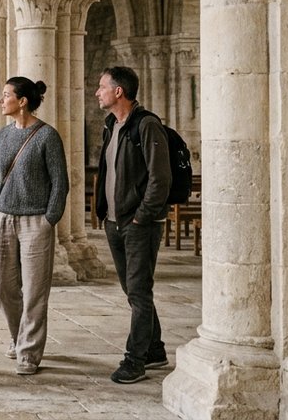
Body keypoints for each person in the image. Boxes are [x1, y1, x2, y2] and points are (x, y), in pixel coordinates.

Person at [94, 66, 172, 384]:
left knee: (139, 292)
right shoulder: (111, 125)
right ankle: (154, 349)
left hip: (138, 223)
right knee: (132, 290)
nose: (97, 92)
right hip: (114, 221)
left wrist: (143, 216)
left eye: (102, 87)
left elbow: (160, 177)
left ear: (118, 92)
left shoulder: (147, 125)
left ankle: (135, 360)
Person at [0, 76, 68, 376]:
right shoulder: (3, 135)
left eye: (6, 94)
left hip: (36, 221)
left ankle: (29, 353)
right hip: (3, 218)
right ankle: (16, 335)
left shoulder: (47, 136)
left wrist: (50, 219)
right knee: (3, 288)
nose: (1, 100)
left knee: (35, 291)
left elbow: (60, 182)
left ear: (22, 101)